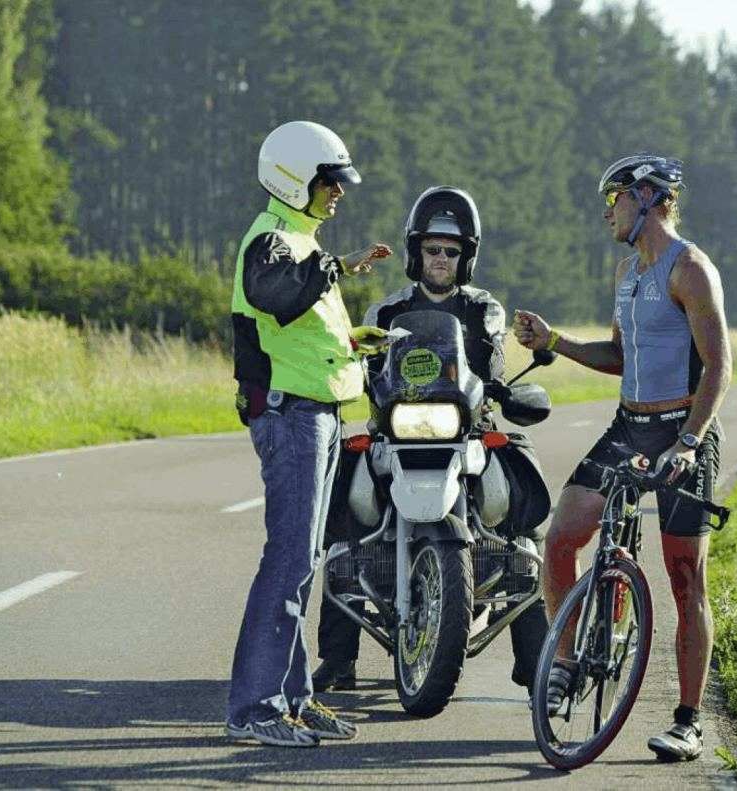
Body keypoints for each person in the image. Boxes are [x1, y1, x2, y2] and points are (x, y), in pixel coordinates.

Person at [514, 154, 732, 762]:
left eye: (613, 199)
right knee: (560, 537)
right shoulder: (624, 273)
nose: (606, 211)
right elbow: (619, 359)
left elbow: (719, 365)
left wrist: (689, 442)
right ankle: (565, 662)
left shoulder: (689, 268)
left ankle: (687, 722)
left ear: (645, 196)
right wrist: (554, 342)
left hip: (683, 428)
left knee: (685, 578)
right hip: (629, 425)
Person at [311, 186, 550, 695]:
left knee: (522, 517)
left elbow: (488, 364)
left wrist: (502, 392)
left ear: (466, 257)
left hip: (464, 430)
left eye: (451, 251)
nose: (440, 258)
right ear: (415, 251)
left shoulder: (484, 308)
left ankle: (536, 663)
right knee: (343, 513)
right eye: (432, 249)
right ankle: (337, 659)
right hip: (396, 431)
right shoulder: (386, 309)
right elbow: (367, 367)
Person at [226, 120, 391, 748]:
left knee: (304, 560)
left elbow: (297, 330)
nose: (339, 192)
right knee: (289, 558)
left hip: (317, 409)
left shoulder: (295, 236)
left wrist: (352, 343)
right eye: (331, 181)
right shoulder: (273, 240)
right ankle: (255, 709)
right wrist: (329, 268)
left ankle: (293, 698)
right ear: (296, 180)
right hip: (290, 414)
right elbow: (275, 296)